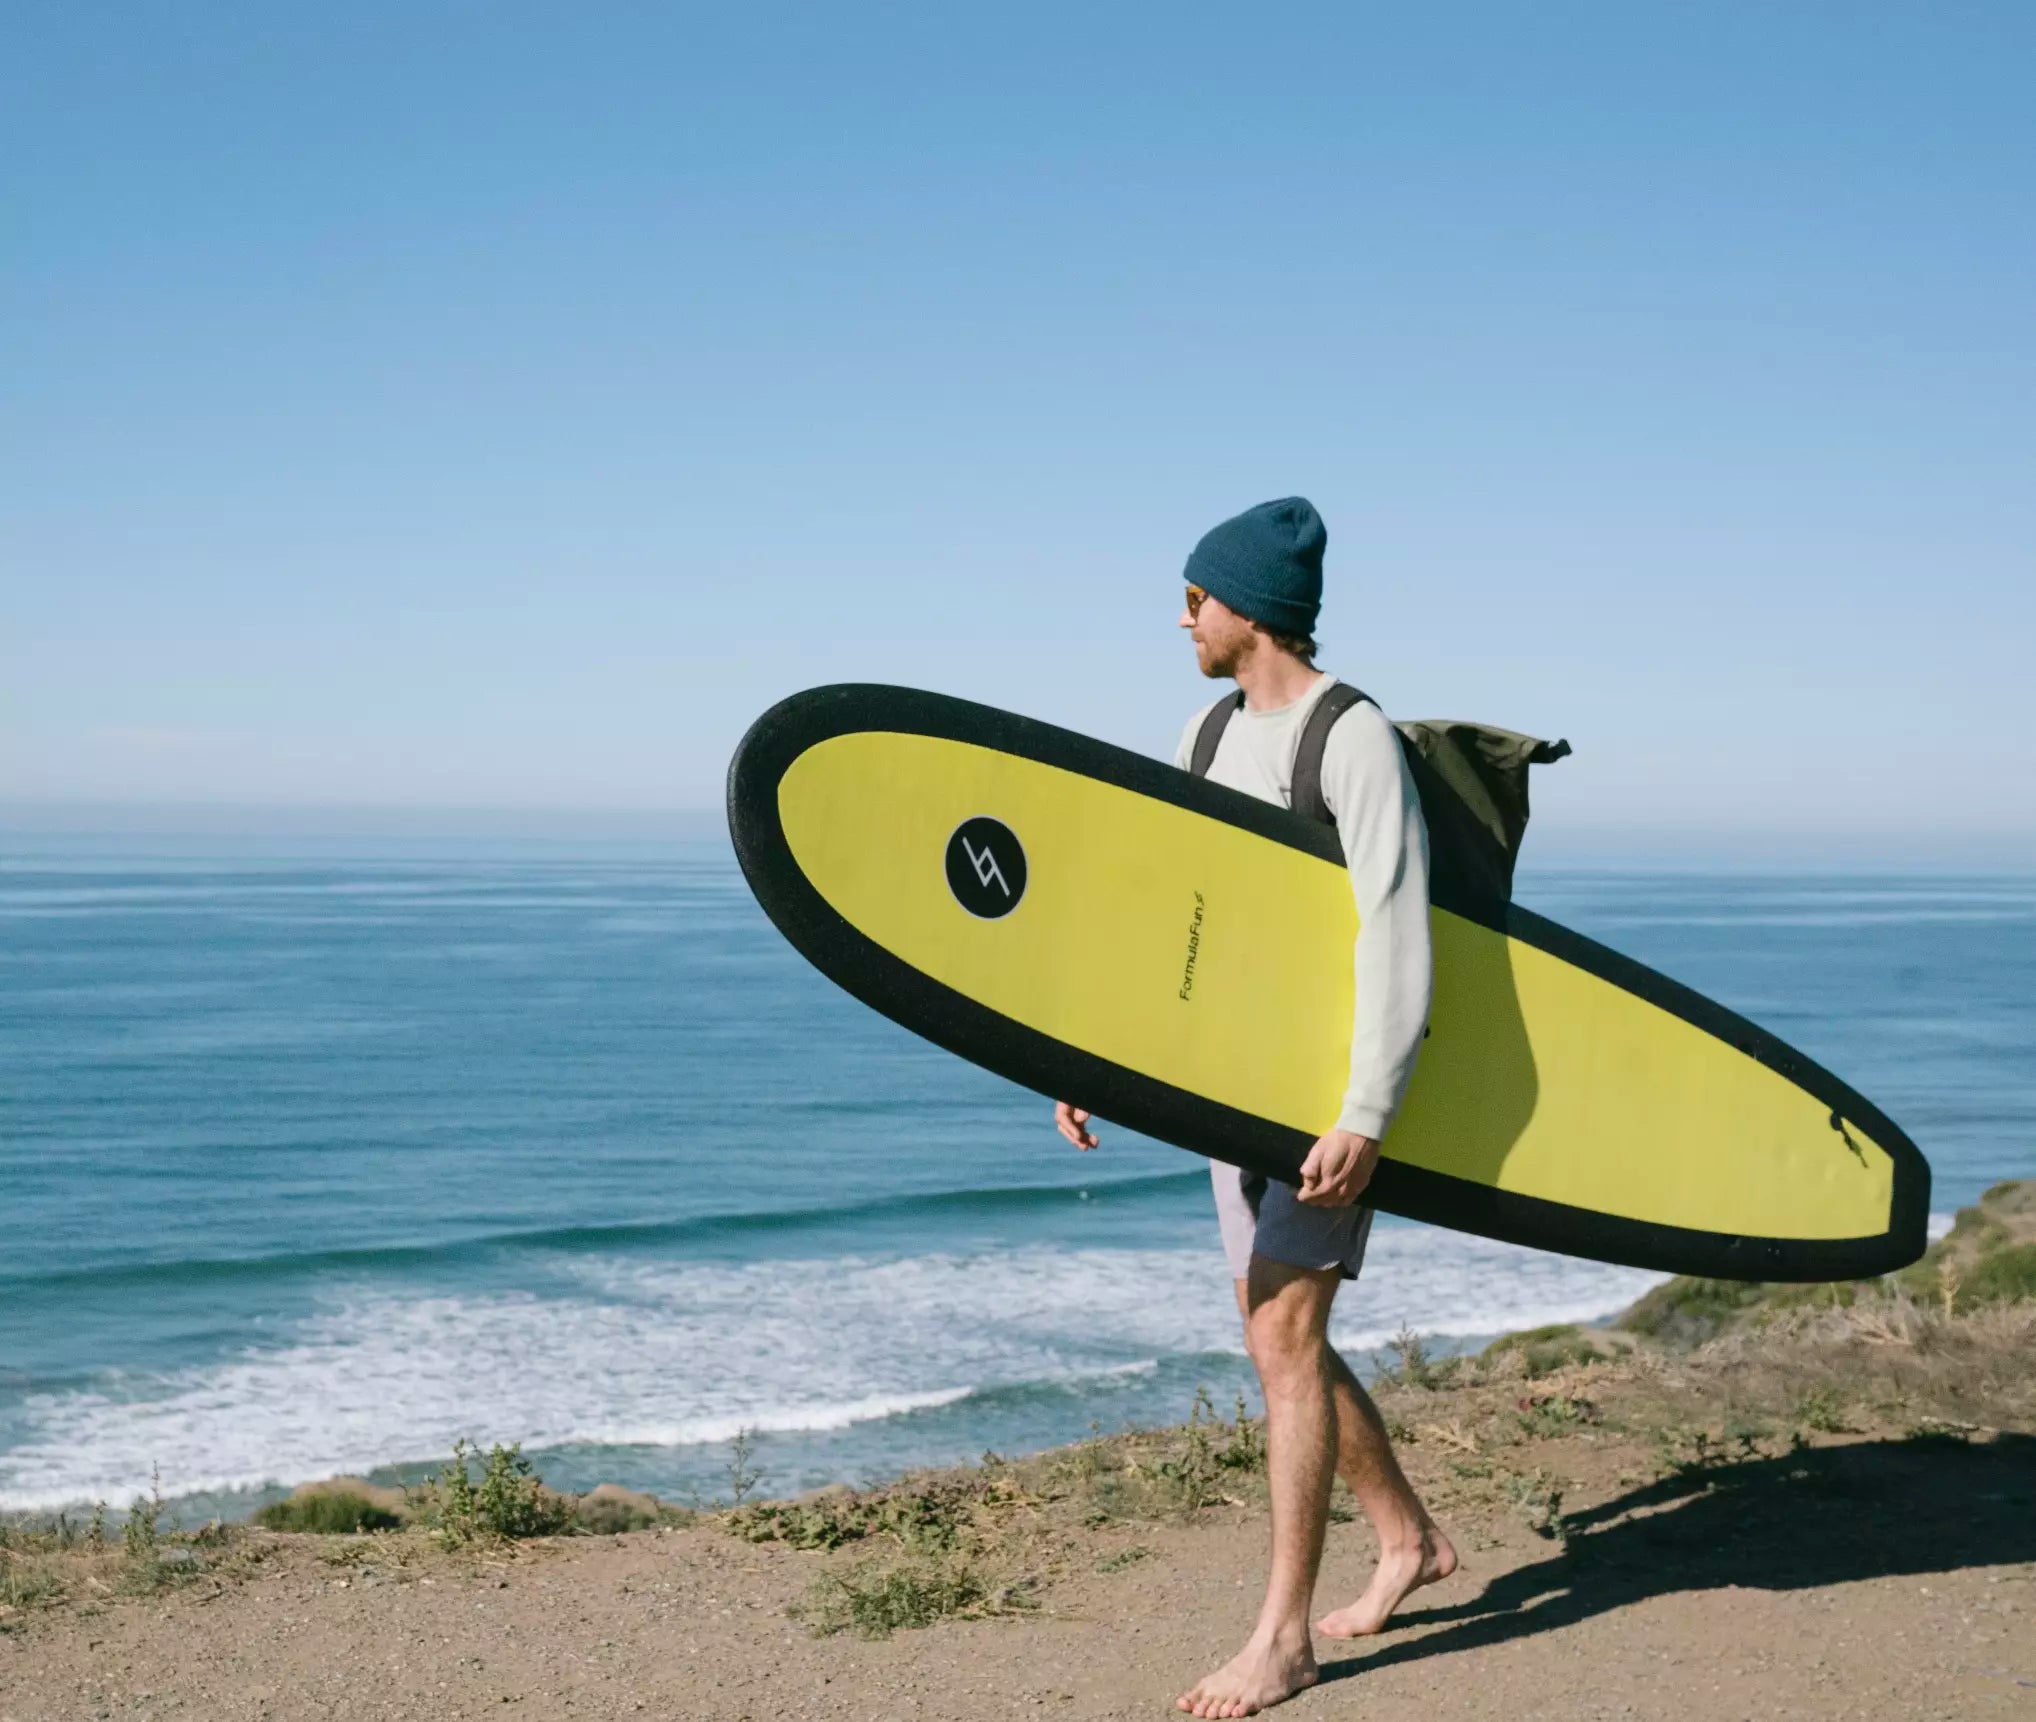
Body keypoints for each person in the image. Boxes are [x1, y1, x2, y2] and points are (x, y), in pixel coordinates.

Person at [1052, 497, 1457, 1719]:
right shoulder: (1203, 731)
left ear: (1248, 610)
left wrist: (1366, 1113)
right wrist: (1096, 1058)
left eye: (1194, 599)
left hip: (1326, 1110)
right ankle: (1410, 1542)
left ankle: (1281, 1638)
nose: (1180, 618)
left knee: (1281, 1344)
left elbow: (1397, 930)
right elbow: (1173, 913)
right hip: (1233, 1104)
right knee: (1278, 1337)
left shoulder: (1353, 739)